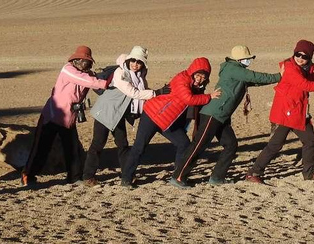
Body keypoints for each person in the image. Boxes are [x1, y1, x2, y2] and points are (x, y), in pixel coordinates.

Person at [171, 45, 281, 188]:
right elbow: (255, 76)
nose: (249, 61)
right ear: (240, 59)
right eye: (247, 59)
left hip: (222, 116)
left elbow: (254, 81)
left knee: (231, 145)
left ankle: (217, 177)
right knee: (198, 145)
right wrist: (279, 76)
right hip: (213, 114)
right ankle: (178, 177)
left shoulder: (239, 71)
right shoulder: (233, 69)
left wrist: (276, 79)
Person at [246, 40, 314, 184]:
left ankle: (309, 173)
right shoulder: (290, 68)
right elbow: (307, 86)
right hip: (285, 113)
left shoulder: (306, 69)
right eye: (298, 54)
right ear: (294, 53)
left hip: (298, 112)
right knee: (275, 145)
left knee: (309, 139)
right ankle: (253, 173)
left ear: (309, 58)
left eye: (304, 56)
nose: (300, 58)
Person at [120, 57, 220, 187]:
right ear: (192, 72)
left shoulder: (195, 86)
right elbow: (188, 99)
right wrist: (209, 97)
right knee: (139, 147)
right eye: (198, 75)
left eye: (203, 77)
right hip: (152, 115)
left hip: (167, 121)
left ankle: (177, 175)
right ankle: (126, 179)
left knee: (184, 144)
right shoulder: (182, 79)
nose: (200, 79)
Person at [22, 45, 110, 186]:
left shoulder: (86, 74)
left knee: (72, 149)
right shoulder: (68, 70)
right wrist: (106, 83)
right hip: (51, 116)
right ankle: (28, 176)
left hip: (69, 119)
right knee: (41, 148)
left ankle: (73, 178)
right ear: (77, 60)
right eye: (85, 62)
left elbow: (90, 81)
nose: (86, 65)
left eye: (88, 63)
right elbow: (86, 81)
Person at [82, 46, 170, 186]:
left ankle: (127, 174)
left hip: (118, 114)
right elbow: (133, 92)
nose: (135, 64)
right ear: (128, 60)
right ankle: (88, 176)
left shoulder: (140, 76)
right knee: (98, 144)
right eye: (133, 60)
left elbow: (142, 92)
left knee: (122, 144)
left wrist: (159, 94)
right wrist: (156, 92)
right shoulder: (121, 72)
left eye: (139, 62)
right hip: (105, 112)